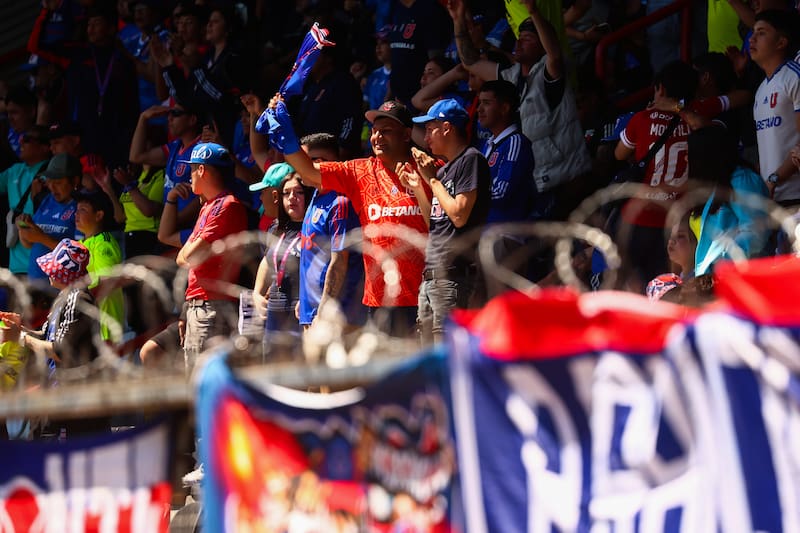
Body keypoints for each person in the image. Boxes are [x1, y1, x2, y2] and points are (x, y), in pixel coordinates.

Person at [263, 98, 432, 337]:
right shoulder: (359, 171)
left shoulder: (428, 168)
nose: (377, 138)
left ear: (406, 135)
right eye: (374, 132)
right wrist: (287, 131)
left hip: (425, 296)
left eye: (386, 131)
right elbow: (308, 171)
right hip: (381, 301)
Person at [448, 0, 591, 220]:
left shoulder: (550, 70)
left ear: (541, 45)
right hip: (536, 180)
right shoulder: (510, 76)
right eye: (519, 38)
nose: (519, 43)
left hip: (565, 180)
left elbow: (554, 53)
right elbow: (470, 61)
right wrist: (458, 20)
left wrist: (533, 11)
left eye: (528, 39)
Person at [0, 238, 109, 437]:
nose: (48, 271)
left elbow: (59, 352)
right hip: (56, 392)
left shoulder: (78, 300)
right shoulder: (64, 296)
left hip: (74, 400)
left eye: (54, 267)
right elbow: (46, 335)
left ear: (66, 273)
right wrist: (20, 328)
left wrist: (22, 337)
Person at [409, 99, 490, 343]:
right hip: (430, 277)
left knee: (446, 357)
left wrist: (432, 181)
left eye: (430, 128)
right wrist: (418, 188)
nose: (425, 137)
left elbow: (459, 215)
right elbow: (434, 222)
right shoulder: (443, 171)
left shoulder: (471, 159)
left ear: (447, 127)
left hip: (452, 276)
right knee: (428, 358)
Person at [167, 142, 248, 370]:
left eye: (192, 169)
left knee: (204, 378)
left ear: (201, 170)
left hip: (212, 307)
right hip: (198, 305)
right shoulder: (208, 207)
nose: (190, 176)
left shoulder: (227, 206)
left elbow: (187, 258)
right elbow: (184, 257)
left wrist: (189, 253)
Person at [296, 133, 367, 337]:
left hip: (337, 317)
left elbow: (339, 261)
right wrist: (305, 300)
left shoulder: (341, 201)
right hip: (312, 313)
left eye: (301, 160)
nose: (296, 166)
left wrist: (325, 309)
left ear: (318, 164)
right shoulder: (317, 195)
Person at [688, 126, 770, 275]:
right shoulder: (717, 183)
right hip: (715, 279)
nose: (687, 159)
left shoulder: (743, 180)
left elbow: (756, 231)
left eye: (692, 154)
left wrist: (722, 264)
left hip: (739, 278)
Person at [252, 170, 313, 358]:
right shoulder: (277, 228)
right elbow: (267, 260)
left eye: (298, 192)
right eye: (287, 193)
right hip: (275, 309)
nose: (292, 198)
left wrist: (310, 301)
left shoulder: (315, 227)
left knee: (302, 376)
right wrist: (256, 293)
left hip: (301, 309)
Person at [130, 101, 202, 248]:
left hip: (190, 229)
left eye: (175, 114)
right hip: (169, 227)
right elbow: (136, 157)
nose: (169, 118)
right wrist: (143, 118)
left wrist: (173, 221)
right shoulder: (175, 147)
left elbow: (202, 196)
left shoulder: (203, 148)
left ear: (192, 119)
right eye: (169, 114)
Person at [749, 10, 800, 206]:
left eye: (761, 33)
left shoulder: (793, 77)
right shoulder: (761, 90)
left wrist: (774, 179)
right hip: (772, 198)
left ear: (781, 42)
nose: (752, 39)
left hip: (795, 196)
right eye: (753, 32)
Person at [17, 153, 80, 283]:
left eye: (58, 182)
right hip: (35, 283)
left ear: (75, 181)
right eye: (49, 181)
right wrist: (23, 229)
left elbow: (80, 257)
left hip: (62, 289)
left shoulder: (82, 207)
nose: (51, 187)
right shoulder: (46, 200)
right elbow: (29, 244)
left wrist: (42, 237)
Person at [73, 189, 125, 344]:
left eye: (83, 210)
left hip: (106, 330)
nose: (76, 214)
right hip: (90, 328)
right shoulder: (81, 244)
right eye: (76, 210)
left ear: (99, 215)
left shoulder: (104, 243)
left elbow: (106, 281)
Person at [0, 126, 51, 275]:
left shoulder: (53, 172)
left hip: (42, 263)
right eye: (21, 138)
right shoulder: (14, 170)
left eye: (27, 140)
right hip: (16, 265)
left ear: (45, 147)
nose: (20, 141)